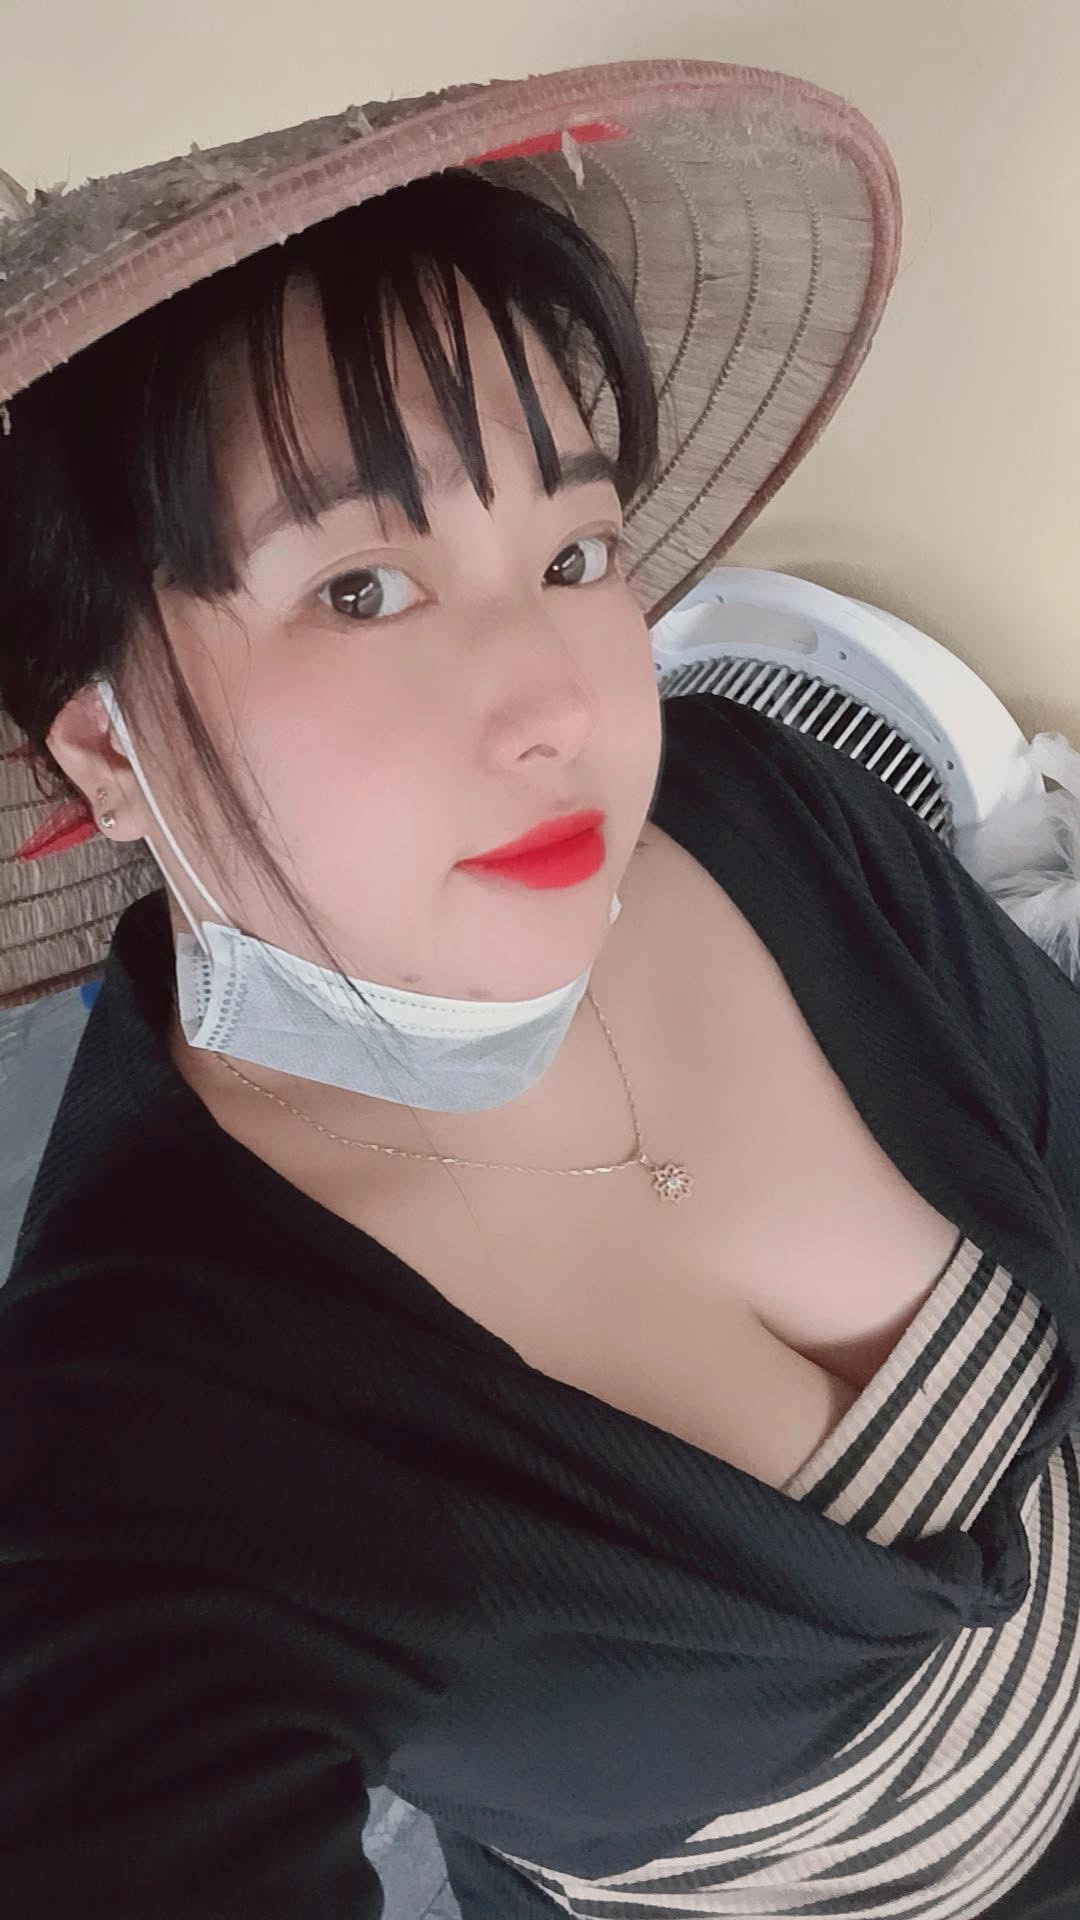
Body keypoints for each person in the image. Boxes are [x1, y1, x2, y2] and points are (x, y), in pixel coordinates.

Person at [2, 60, 1080, 1920]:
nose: (567, 703)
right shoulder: (136, 1438)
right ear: (106, 748)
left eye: (575, 553)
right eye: (363, 588)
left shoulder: (763, 800)